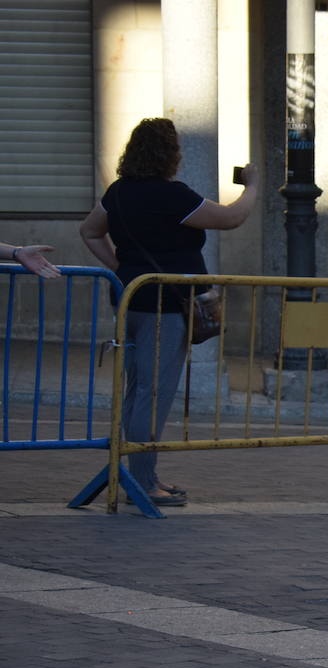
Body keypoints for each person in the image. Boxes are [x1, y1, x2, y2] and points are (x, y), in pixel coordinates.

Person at [79, 117, 260, 507]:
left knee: (137, 388)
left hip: (131, 297)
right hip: (165, 305)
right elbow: (231, 218)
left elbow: (90, 231)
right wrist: (252, 187)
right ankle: (142, 482)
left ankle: (135, 474)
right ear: (170, 154)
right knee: (153, 391)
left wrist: (120, 267)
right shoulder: (170, 195)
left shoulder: (119, 192)